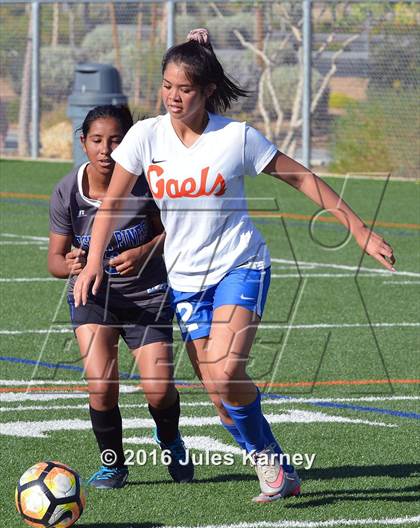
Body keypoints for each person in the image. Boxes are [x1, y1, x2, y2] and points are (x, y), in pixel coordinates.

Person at [73, 31, 396, 503]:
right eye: (166, 86)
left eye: (184, 88)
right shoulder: (146, 136)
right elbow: (113, 202)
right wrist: (91, 264)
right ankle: (274, 465)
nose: (173, 97)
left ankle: (271, 464)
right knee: (224, 403)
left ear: (206, 90)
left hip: (239, 265)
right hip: (184, 281)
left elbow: (302, 177)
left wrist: (360, 230)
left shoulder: (236, 138)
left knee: (226, 373)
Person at [48, 104, 193, 489]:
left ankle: (170, 439)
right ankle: (113, 464)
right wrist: (72, 263)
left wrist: (145, 251)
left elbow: (174, 232)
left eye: (116, 141)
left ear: (130, 143)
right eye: (96, 140)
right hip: (93, 297)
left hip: (147, 295)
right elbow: (54, 260)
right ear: (83, 142)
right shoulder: (68, 190)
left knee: (160, 391)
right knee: (101, 384)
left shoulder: (148, 183)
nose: (105, 150)